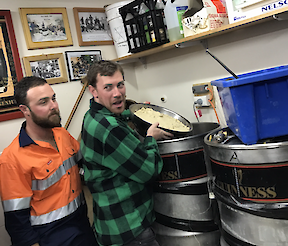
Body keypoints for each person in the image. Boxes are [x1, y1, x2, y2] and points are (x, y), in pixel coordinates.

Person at [80, 60, 173, 246]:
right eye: (108, 87)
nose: (117, 93)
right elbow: (149, 171)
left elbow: (119, 116)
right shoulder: (109, 129)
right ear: (93, 91)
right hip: (129, 227)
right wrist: (151, 138)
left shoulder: (93, 115)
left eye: (120, 84)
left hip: (110, 223)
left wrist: (138, 114)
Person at [0, 76, 97, 246]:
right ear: (25, 110)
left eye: (53, 98)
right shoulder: (12, 159)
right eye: (43, 102)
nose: (54, 106)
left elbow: (86, 166)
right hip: (50, 236)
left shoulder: (62, 134)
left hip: (82, 224)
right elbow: (17, 224)